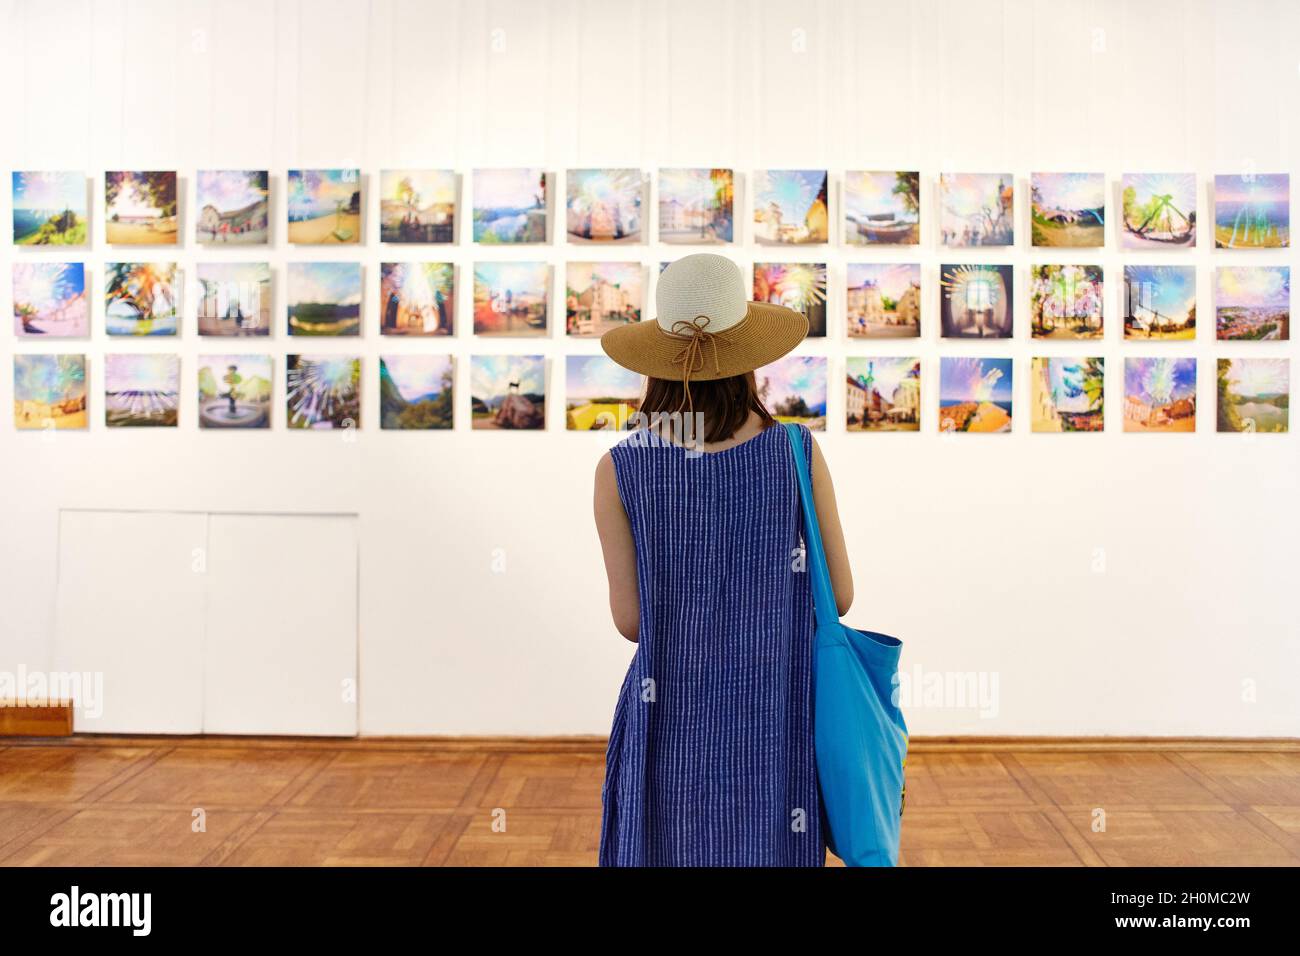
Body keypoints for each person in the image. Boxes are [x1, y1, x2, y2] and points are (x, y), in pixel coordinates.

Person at [593, 253, 854, 866]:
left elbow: (632, 621)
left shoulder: (620, 469)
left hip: (669, 721)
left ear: (658, 360)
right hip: (774, 720)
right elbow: (838, 598)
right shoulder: (795, 453)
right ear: (747, 360)